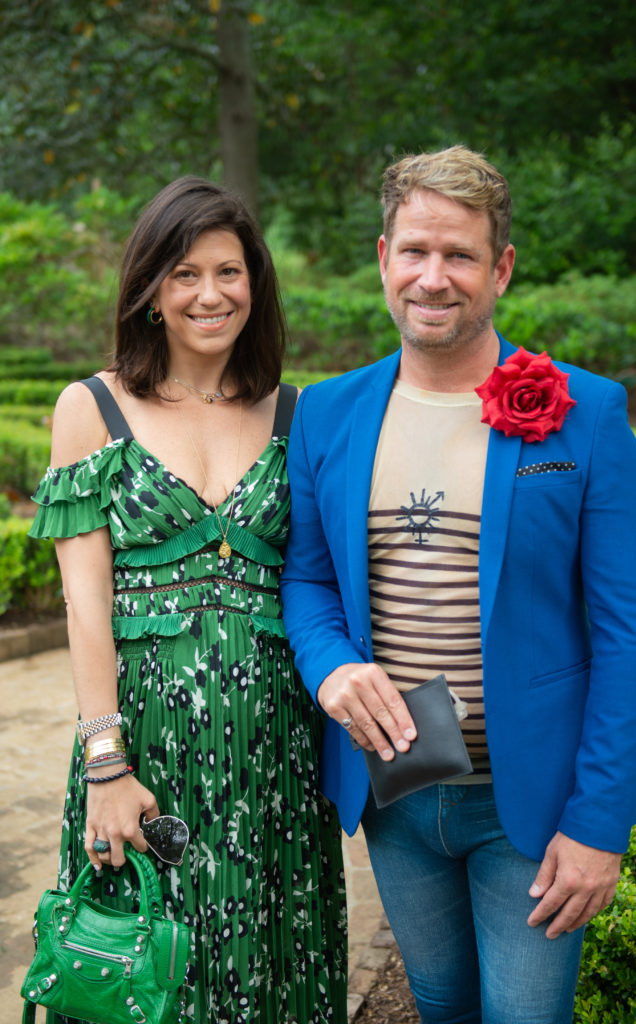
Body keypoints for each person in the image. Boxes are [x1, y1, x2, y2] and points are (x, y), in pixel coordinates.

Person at [280, 145, 636, 1023]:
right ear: (383, 258)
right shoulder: (328, 412)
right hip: (396, 795)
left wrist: (599, 821)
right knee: (443, 1004)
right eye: (414, 250)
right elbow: (307, 579)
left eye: (459, 255)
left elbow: (631, 630)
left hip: (528, 808)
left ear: (502, 268)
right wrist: (330, 665)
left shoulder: (585, 412)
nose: (433, 277)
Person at [29, 176, 347, 1024]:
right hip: (146, 754)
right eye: (184, 274)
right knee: (141, 971)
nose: (210, 294)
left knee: (273, 964)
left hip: (275, 753)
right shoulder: (91, 407)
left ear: (256, 285)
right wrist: (107, 763)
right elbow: (83, 606)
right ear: (150, 293)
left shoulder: (295, 415)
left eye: (229, 272)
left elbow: (323, 582)